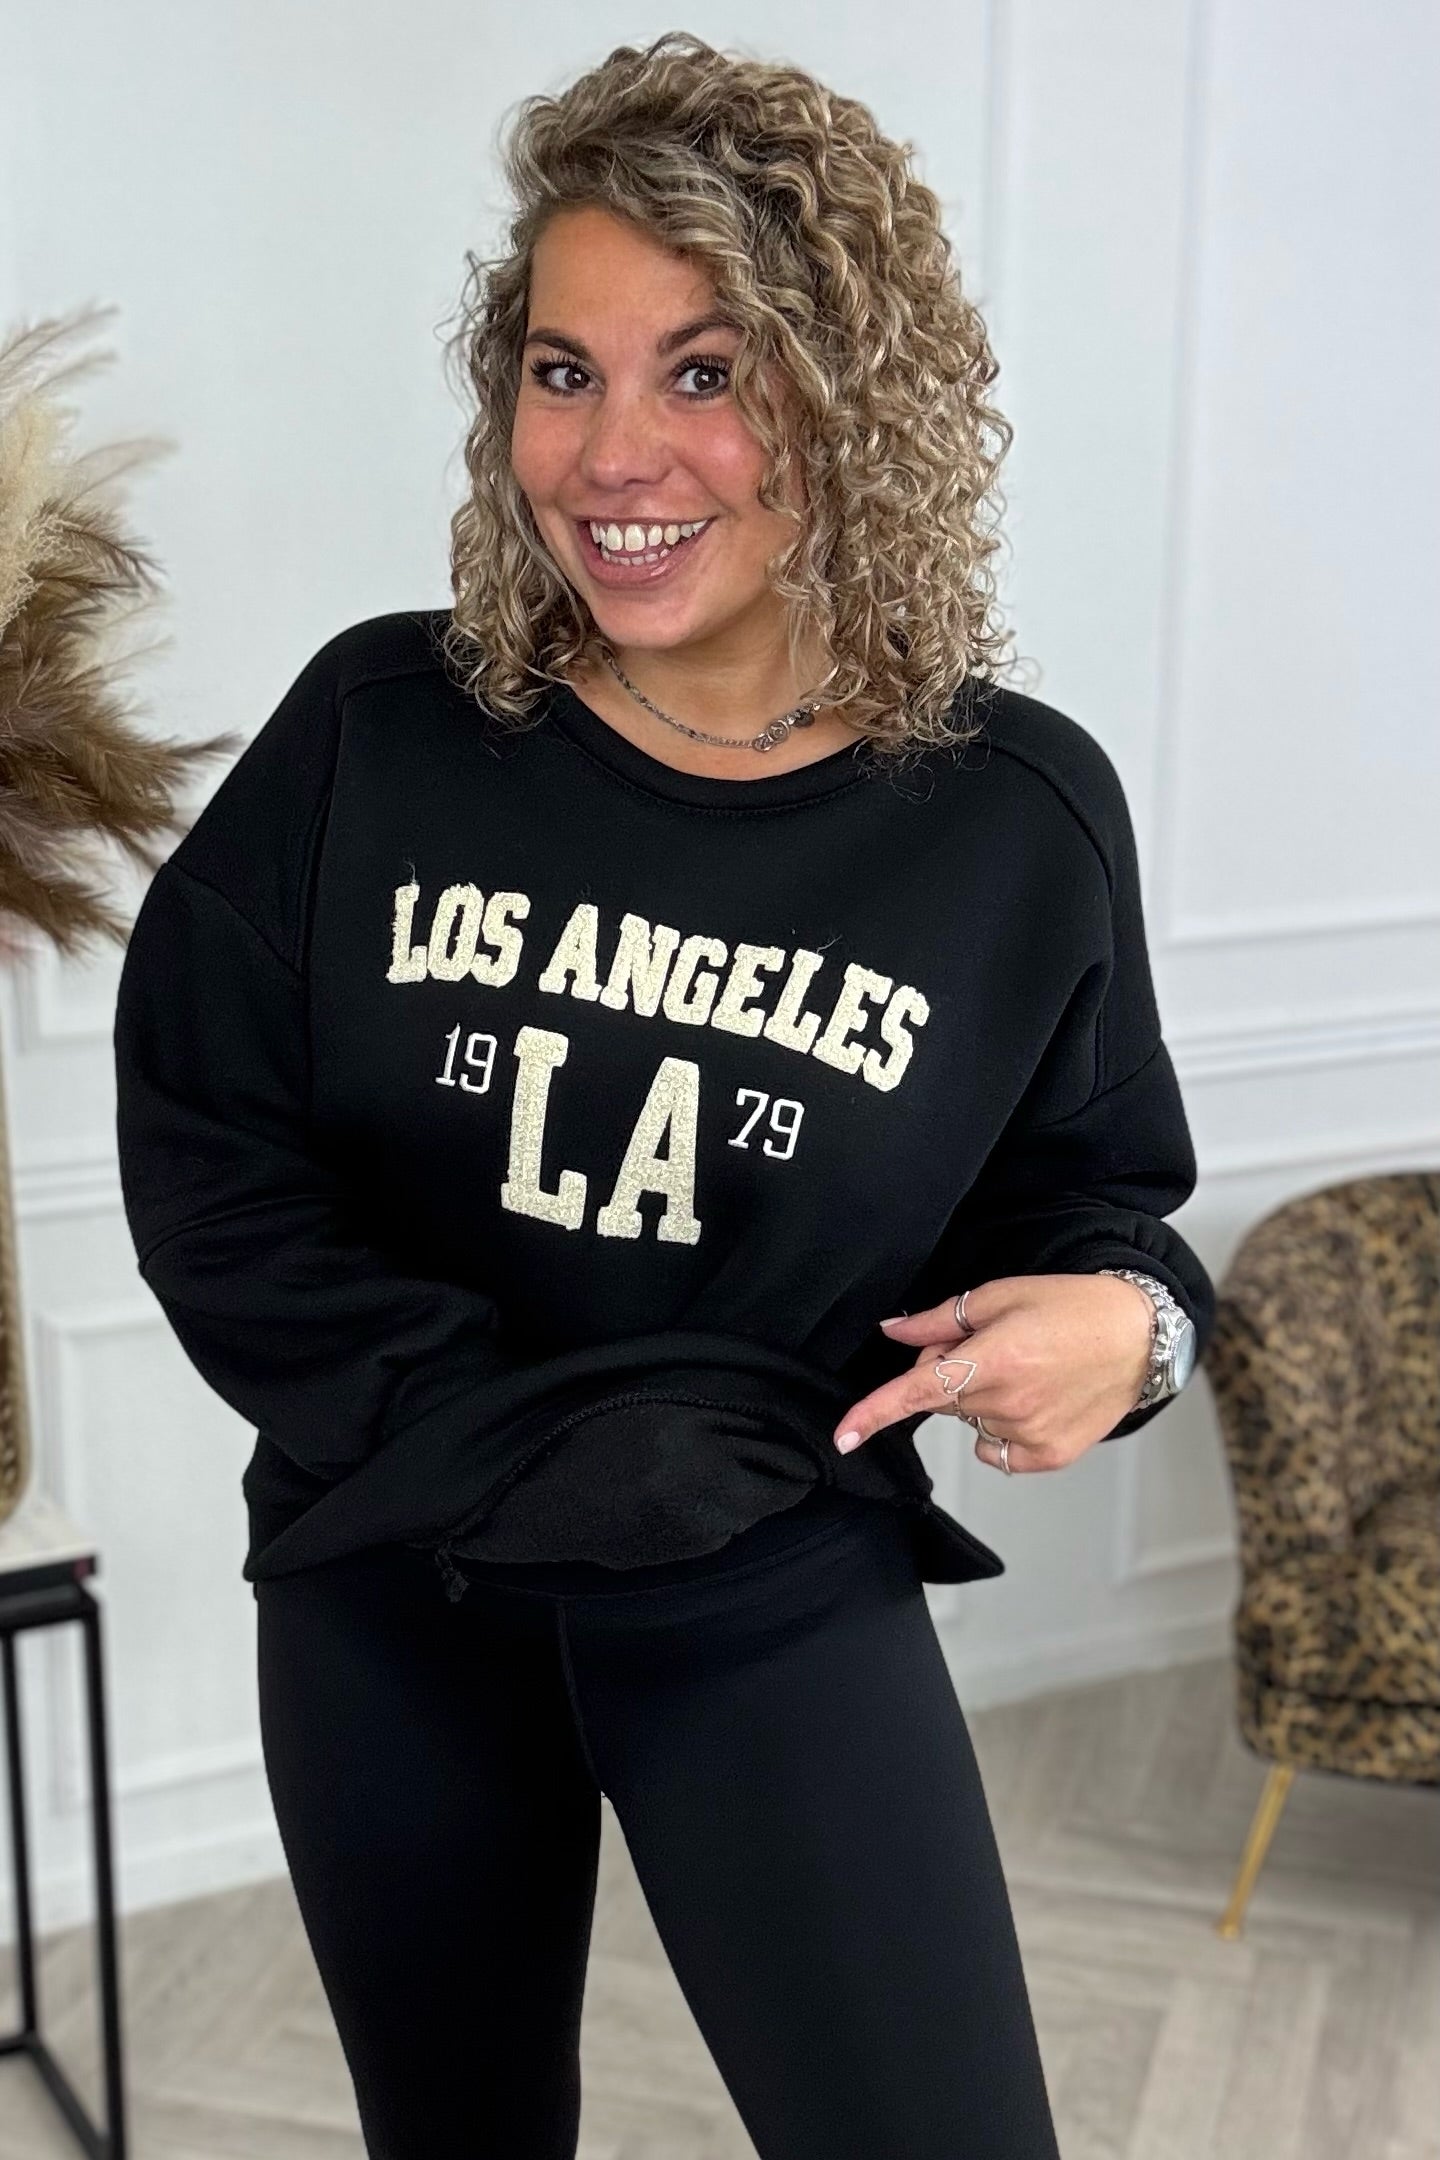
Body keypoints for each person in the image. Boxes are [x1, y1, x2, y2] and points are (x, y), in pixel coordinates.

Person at [112, 30, 1214, 2158]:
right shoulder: (377, 730)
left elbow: (1098, 1209)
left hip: (764, 1590)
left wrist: (1137, 1328)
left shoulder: (1012, 819)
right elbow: (211, 1156)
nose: (614, 453)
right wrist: (510, 1448)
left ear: (850, 397)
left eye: (706, 373)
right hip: (387, 1587)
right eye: (564, 370)